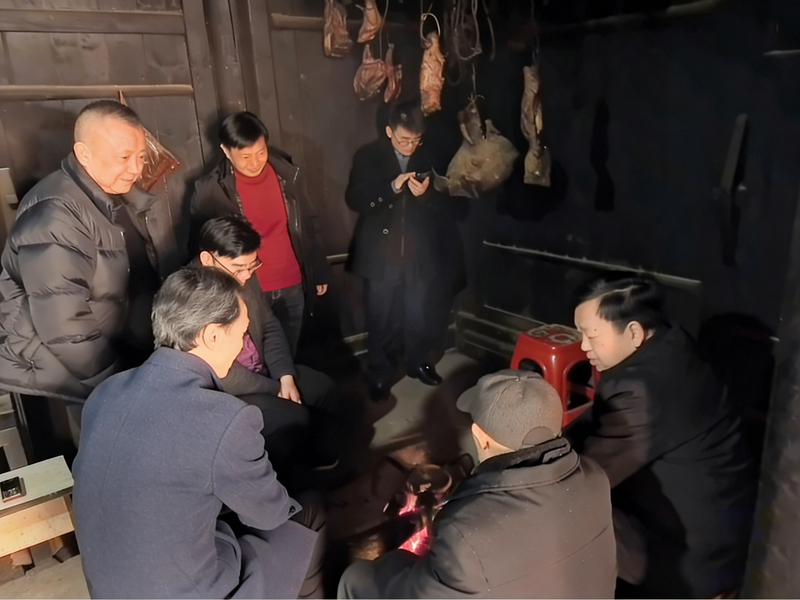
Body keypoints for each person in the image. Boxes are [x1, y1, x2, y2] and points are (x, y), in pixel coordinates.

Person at [73, 266, 326, 599]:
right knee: (308, 512)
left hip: (110, 588)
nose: (242, 344)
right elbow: (269, 515)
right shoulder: (226, 419)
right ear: (212, 336)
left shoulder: (104, 393)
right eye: (242, 332)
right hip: (186, 592)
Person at [338, 369, 617, 599]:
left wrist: (391, 563)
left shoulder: (468, 531)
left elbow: (415, 593)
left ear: (480, 438)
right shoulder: (595, 477)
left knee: (356, 579)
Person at [572, 275, 757, 598]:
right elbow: (599, 420)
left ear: (634, 333)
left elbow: (584, 477)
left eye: (592, 336)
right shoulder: (671, 343)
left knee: (565, 507)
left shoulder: (643, 391)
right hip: (721, 538)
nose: (584, 346)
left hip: (690, 560)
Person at [197, 215, 363, 484]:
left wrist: (285, 376)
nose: (246, 276)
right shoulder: (190, 297)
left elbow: (270, 326)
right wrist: (276, 388)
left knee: (325, 389)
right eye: (238, 269)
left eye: (252, 266)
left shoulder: (244, 276)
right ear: (207, 259)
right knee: (292, 416)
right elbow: (220, 373)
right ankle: (294, 484)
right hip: (228, 390)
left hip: (264, 371)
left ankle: (324, 460)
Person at [190, 111, 331, 354]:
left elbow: (309, 223)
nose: (255, 162)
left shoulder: (287, 175)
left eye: (261, 152)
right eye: (245, 157)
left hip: (292, 283)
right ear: (226, 151)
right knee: (255, 360)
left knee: (288, 355)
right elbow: (198, 247)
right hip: (247, 291)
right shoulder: (211, 191)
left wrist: (318, 268)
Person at [345, 100, 459, 400]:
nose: (410, 146)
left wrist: (426, 196)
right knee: (380, 318)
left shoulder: (429, 156)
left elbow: (449, 205)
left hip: (419, 253)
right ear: (389, 131)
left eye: (416, 140)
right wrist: (391, 188)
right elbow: (355, 199)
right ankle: (380, 373)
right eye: (404, 140)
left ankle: (417, 363)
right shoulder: (368, 156)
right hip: (381, 254)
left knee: (418, 315)